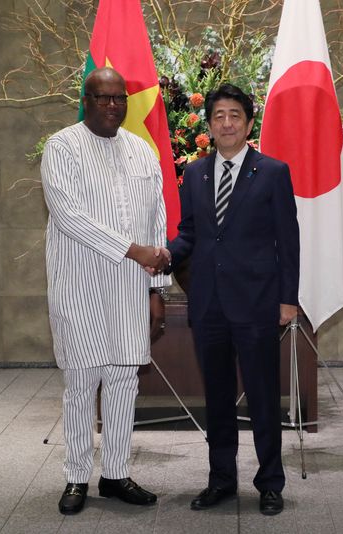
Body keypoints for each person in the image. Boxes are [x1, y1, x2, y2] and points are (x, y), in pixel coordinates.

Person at [41, 67, 171, 515]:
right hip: (80, 288)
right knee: (81, 382)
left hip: (130, 292)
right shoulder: (62, 147)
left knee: (121, 382)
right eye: (103, 98)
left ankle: (115, 474)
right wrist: (134, 250)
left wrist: (157, 289)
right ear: (87, 100)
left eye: (119, 98)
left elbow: (156, 220)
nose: (113, 105)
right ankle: (76, 476)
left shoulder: (141, 152)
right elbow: (69, 216)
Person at [167, 84, 299, 515]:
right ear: (209, 124)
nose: (226, 123)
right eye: (219, 115)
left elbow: (288, 242)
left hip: (258, 304)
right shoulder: (195, 175)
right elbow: (190, 233)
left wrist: (287, 300)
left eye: (235, 115)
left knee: (263, 396)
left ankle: (270, 484)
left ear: (248, 123)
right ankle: (221, 479)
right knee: (218, 398)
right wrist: (166, 255)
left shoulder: (274, 172)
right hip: (209, 305)